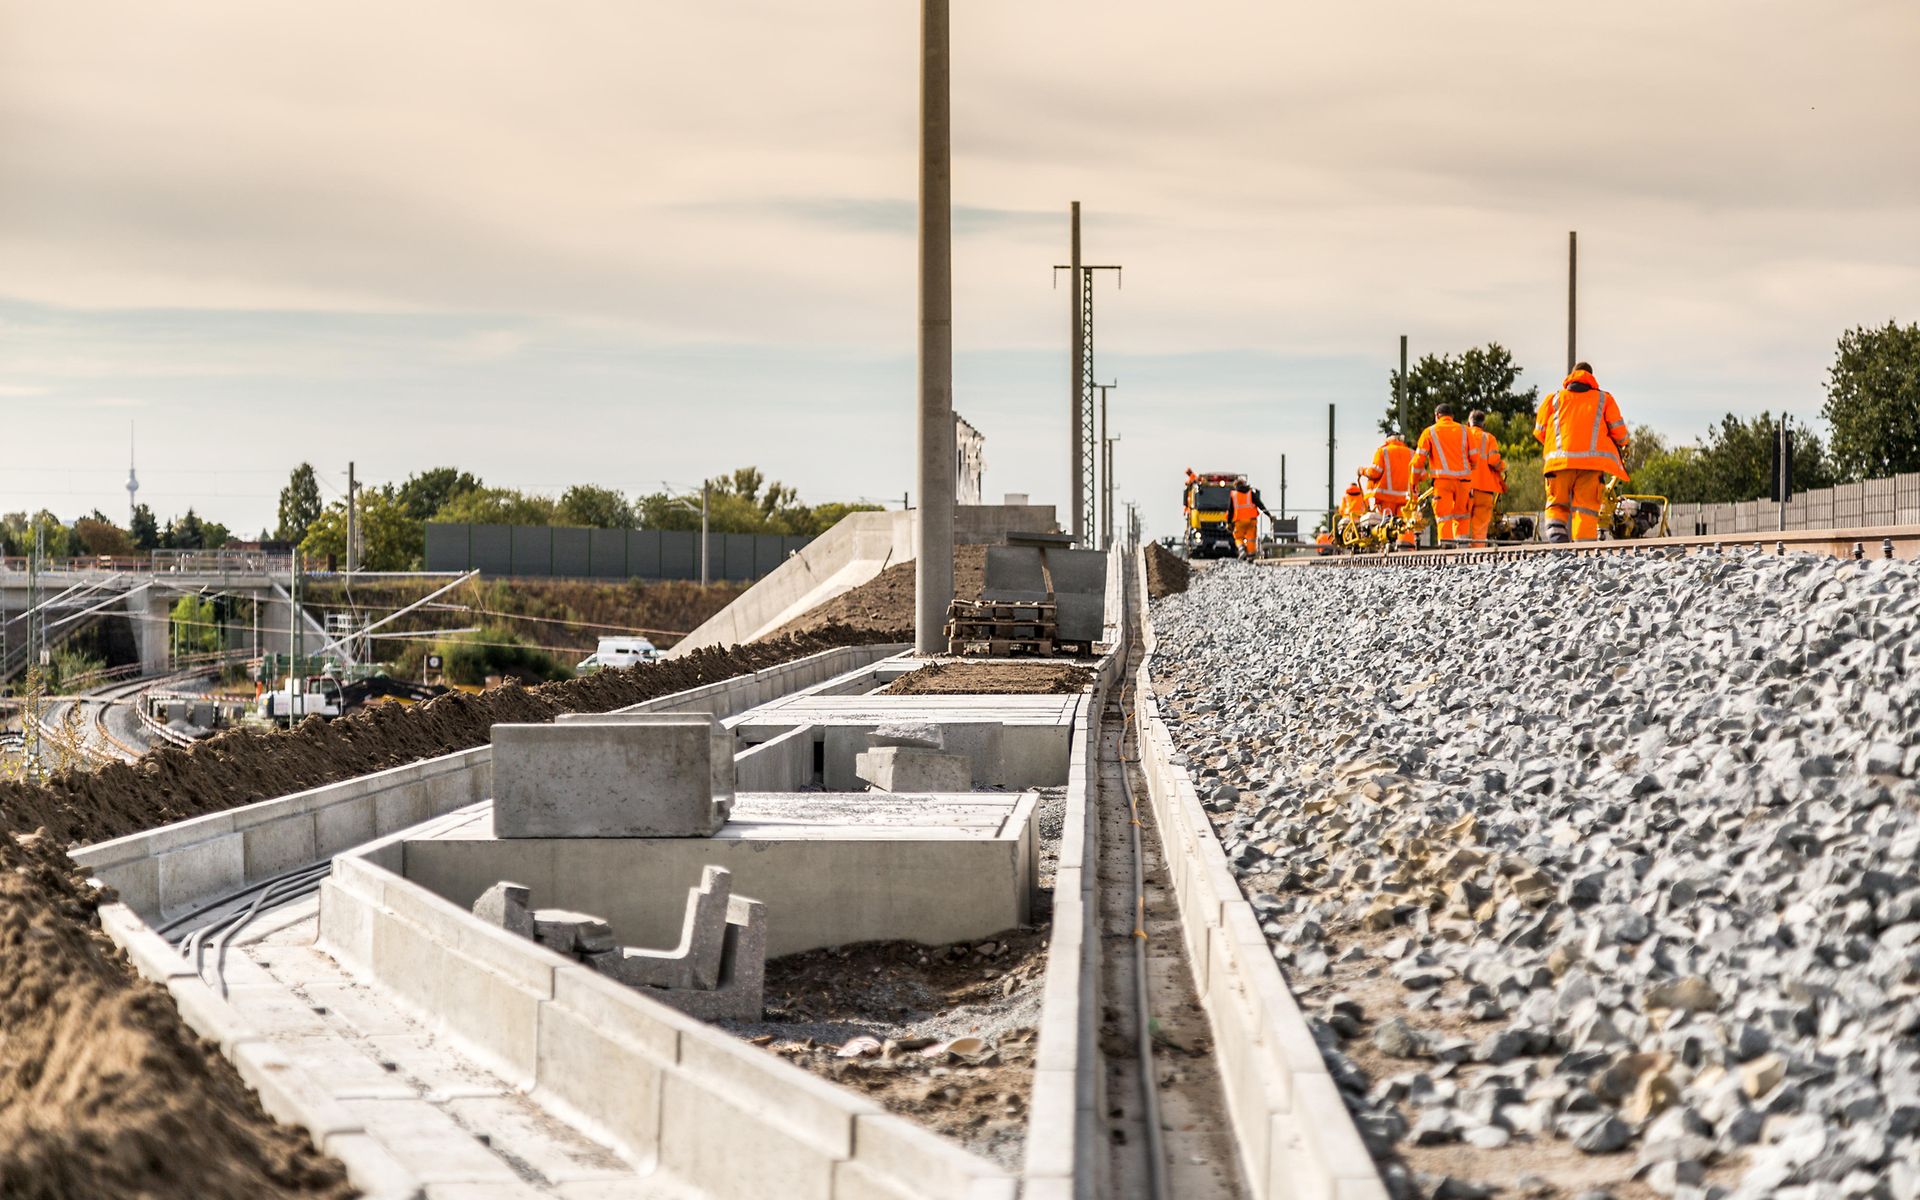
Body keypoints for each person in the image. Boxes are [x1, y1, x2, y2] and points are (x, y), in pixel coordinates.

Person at [1534, 363, 1629, 542]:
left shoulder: (1553, 399)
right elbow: (1619, 432)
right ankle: (1583, 552)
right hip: (1590, 467)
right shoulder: (1604, 399)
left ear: (1572, 375)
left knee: (1557, 504)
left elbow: (1540, 431)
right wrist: (1625, 444)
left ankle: (1557, 539)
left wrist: (1558, 448)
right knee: (1585, 509)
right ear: (1591, 377)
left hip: (1558, 465)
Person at [1410, 404, 1479, 547]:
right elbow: (1474, 457)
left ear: (1437, 416)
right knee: (1462, 516)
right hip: (1464, 481)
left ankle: (1447, 548)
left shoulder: (1429, 432)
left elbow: (1418, 462)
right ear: (1452, 416)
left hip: (1443, 483)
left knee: (1444, 517)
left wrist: (1414, 482)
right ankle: (1463, 548)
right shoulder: (1465, 431)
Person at [1363, 432, 1418, 548]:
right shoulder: (1412, 453)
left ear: (1387, 439)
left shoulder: (1383, 451)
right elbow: (1421, 474)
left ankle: (1386, 547)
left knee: (1386, 525)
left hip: (1386, 497)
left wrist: (1362, 471)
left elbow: (1374, 472)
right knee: (1405, 522)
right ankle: (1405, 546)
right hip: (1407, 498)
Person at [1464, 410, 1507, 547]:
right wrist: (1502, 466)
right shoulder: (1489, 438)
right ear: (1484, 424)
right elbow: (1494, 460)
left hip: (1464, 488)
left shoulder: (1462, 435)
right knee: (1480, 529)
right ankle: (1477, 556)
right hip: (1484, 490)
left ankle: (1459, 553)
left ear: (1468, 422)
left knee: (1462, 524)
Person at [1229, 478, 1274, 558]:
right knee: (1251, 539)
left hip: (1239, 521)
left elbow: (1230, 511)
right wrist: (1269, 515)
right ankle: (1251, 555)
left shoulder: (1234, 495)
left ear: (1235, 485)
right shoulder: (1251, 493)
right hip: (1251, 521)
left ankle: (1241, 549)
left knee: (1238, 537)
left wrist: (1229, 522)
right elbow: (1260, 505)